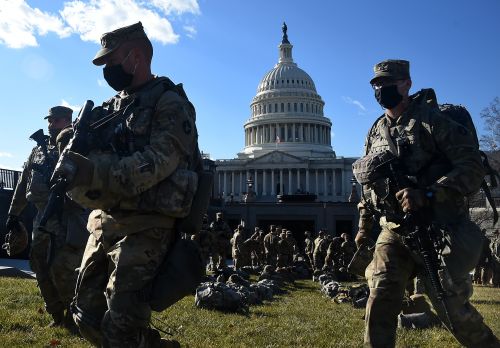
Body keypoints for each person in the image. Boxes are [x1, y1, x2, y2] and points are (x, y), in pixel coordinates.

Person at [57, 22, 200, 347]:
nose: (107, 70)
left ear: (136, 57)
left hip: (146, 224)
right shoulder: (109, 109)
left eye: (112, 61)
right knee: (84, 314)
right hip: (104, 220)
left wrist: (96, 174)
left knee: (122, 322)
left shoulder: (169, 103)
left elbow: (159, 161)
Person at [355, 59, 499, 347]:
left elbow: (471, 167)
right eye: (377, 84)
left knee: (450, 308)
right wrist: (364, 226)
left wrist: (429, 192)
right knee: (380, 296)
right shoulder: (375, 131)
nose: (382, 88)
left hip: (436, 228)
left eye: (388, 82)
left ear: (406, 84)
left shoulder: (433, 121)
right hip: (394, 230)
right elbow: (370, 185)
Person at [6, 106, 86, 330]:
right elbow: (23, 183)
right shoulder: (38, 150)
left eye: (57, 120)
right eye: (50, 120)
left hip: (68, 217)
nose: (51, 124)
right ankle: (56, 315)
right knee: (39, 265)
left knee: (64, 268)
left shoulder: (76, 144)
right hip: (41, 216)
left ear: (68, 121)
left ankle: (74, 317)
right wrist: (14, 213)